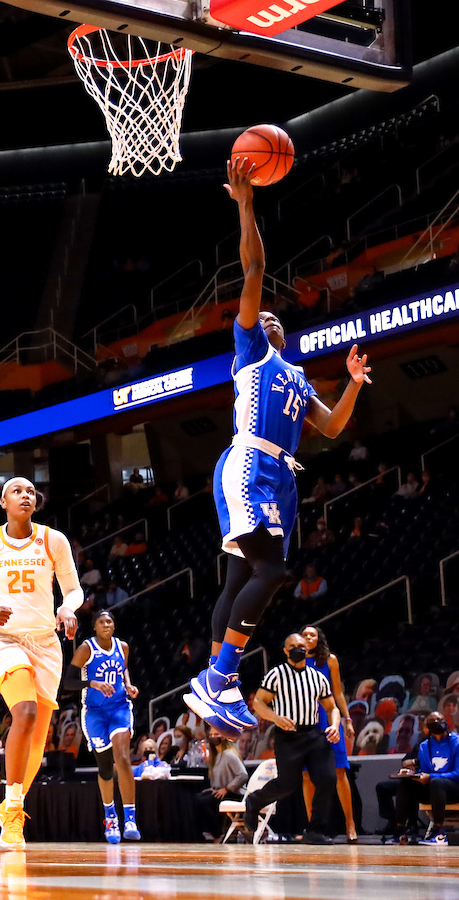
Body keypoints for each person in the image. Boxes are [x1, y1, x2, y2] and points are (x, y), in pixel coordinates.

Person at [187, 158, 373, 737]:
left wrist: (353, 385)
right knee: (272, 568)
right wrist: (246, 205)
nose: (262, 313)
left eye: (270, 315)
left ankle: (212, 683)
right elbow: (254, 267)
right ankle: (218, 678)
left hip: (283, 476)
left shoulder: (296, 376)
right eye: (256, 312)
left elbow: (334, 428)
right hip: (249, 459)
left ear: (283, 331)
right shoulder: (250, 352)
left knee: (241, 578)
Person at [0, 476, 82, 849]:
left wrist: (68, 608)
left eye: (30, 491)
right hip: (2, 638)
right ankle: (12, 814)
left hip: (45, 642)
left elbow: (73, 589)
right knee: (23, 712)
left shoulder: (53, 540)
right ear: (3, 502)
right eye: (17, 491)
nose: (25, 495)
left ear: (35, 502)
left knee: (39, 739)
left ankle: (13, 803)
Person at [245, 633, 343, 844]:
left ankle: (315, 831)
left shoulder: (318, 677)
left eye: (301, 645)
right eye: (293, 646)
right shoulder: (276, 674)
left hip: (314, 734)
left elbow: (332, 707)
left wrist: (335, 725)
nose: (298, 649)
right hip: (288, 735)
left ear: (307, 648)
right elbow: (259, 703)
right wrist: (275, 718)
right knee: (287, 784)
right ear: (285, 650)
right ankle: (254, 801)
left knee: (328, 779)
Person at [66, 610, 140, 843]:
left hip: (119, 707)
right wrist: (93, 683)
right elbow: (68, 682)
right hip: (95, 713)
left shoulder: (123, 647)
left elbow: (123, 669)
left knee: (123, 758)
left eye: (109, 621)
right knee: (106, 767)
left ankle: (130, 818)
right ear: (95, 627)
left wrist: (128, 685)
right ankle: (110, 817)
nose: (106, 624)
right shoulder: (86, 649)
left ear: (114, 626)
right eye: (101, 621)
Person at [301, 625, 357, 842]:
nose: (308, 638)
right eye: (304, 635)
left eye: (312, 635)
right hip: (305, 721)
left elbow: (338, 692)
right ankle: (312, 827)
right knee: (307, 775)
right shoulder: (294, 662)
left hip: (329, 718)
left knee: (339, 772)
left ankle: (350, 824)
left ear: (318, 638)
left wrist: (348, 718)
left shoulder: (330, 660)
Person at [392, 711, 459, 845]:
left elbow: (457, 773)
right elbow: (425, 771)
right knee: (406, 784)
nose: (438, 725)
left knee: (436, 782)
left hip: (453, 788)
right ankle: (400, 830)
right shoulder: (424, 746)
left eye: (440, 720)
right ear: (427, 728)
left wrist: (431, 776)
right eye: (434, 722)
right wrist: (414, 775)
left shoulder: (456, 742)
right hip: (434, 789)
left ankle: (439, 832)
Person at [197, 727, 248, 841]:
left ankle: (217, 834)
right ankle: (207, 832)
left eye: (216, 734)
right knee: (198, 798)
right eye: (211, 735)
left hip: (235, 793)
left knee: (203, 802)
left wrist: (227, 789)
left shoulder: (230, 754)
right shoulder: (216, 756)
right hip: (221, 791)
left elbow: (243, 775)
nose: (213, 737)